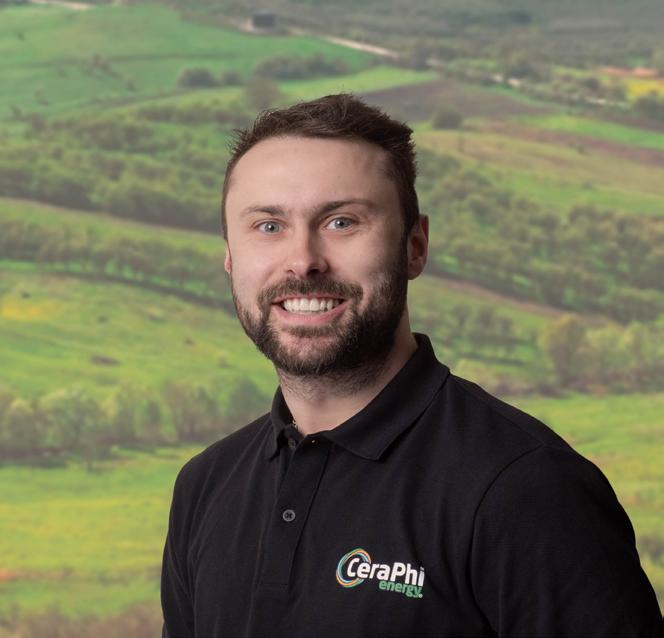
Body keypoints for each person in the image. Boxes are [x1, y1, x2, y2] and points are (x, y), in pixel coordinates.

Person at [161, 93, 663, 638]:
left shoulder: (528, 490)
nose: (303, 261)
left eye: (342, 221)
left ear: (415, 246)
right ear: (230, 256)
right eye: (268, 226)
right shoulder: (204, 487)